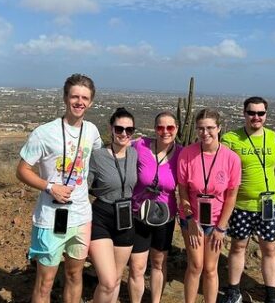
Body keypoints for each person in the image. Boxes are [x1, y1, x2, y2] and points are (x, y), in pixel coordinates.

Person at [16, 74, 102, 303]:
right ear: (65, 98)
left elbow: (97, 161)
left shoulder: (92, 131)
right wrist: (49, 187)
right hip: (50, 217)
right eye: (75, 96)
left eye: (84, 97)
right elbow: (22, 170)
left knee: (75, 275)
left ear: (91, 102)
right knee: (45, 282)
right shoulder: (44, 133)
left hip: (82, 216)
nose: (79, 101)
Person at [221, 96, 275, 303]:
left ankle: (272, 295)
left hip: (269, 204)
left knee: (270, 248)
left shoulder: (274, 138)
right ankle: (234, 290)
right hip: (241, 204)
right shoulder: (231, 139)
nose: (256, 117)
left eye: (260, 113)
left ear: (266, 115)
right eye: (251, 113)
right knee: (238, 246)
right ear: (244, 114)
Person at [177, 108, 241, 303]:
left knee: (211, 269)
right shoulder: (187, 154)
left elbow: (231, 196)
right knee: (195, 265)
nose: (205, 133)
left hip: (216, 221)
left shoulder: (231, 158)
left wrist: (221, 227)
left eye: (210, 128)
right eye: (200, 128)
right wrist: (190, 218)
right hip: (192, 219)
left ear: (219, 128)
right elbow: (183, 190)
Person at [128, 111, 182, 303]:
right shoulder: (140, 146)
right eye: (160, 127)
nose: (165, 131)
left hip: (165, 217)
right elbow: (117, 151)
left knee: (159, 263)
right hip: (138, 214)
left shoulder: (182, 154)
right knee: (137, 266)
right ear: (154, 129)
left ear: (176, 128)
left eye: (170, 127)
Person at [88, 107, 138, 303]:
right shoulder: (98, 156)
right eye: (119, 129)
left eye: (129, 130)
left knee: (116, 279)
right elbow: (83, 185)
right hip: (102, 216)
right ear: (111, 129)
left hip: (126, 218)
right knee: (108, 281)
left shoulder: (135, 154)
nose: (124, 134)